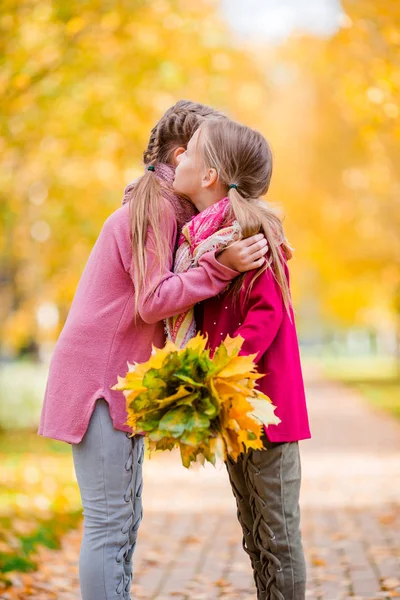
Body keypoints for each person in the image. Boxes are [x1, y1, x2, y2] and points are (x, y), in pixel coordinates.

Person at [38, 101, 269, 600]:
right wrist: (220, 268)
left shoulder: (168, 207)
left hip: (114, 379)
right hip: (97, 383)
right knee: (108, 524)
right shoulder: (157, 206)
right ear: (185, 154)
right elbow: (151, 301)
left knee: (123, 520)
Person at [169, 117, 311, 600]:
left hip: (266, 414)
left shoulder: (251, 234)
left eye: (191, 151)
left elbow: (265, 314)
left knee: (278, 536)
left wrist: (217, 370)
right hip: (233, 414)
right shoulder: (203, 242)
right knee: (254, 533)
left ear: (210, 175)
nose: (180, 155)